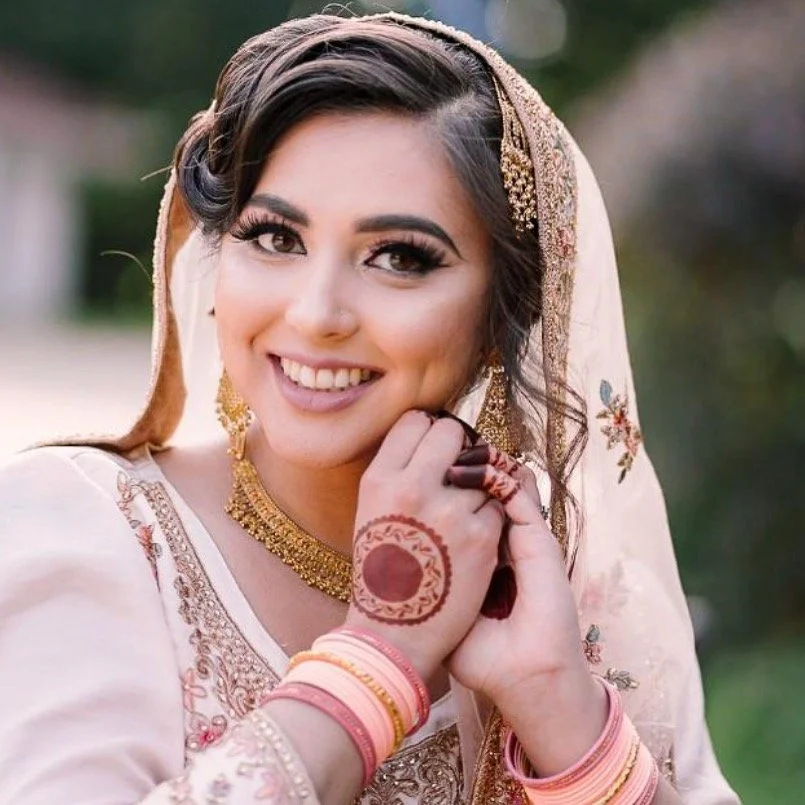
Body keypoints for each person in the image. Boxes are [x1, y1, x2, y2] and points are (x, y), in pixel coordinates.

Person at [0, 11, 739, 805]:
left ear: (508, 311)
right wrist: (378, 656)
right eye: (275, 238)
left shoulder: (567, 582)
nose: (317, 313)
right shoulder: (91, 534)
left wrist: (562, 711)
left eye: (399, 257)